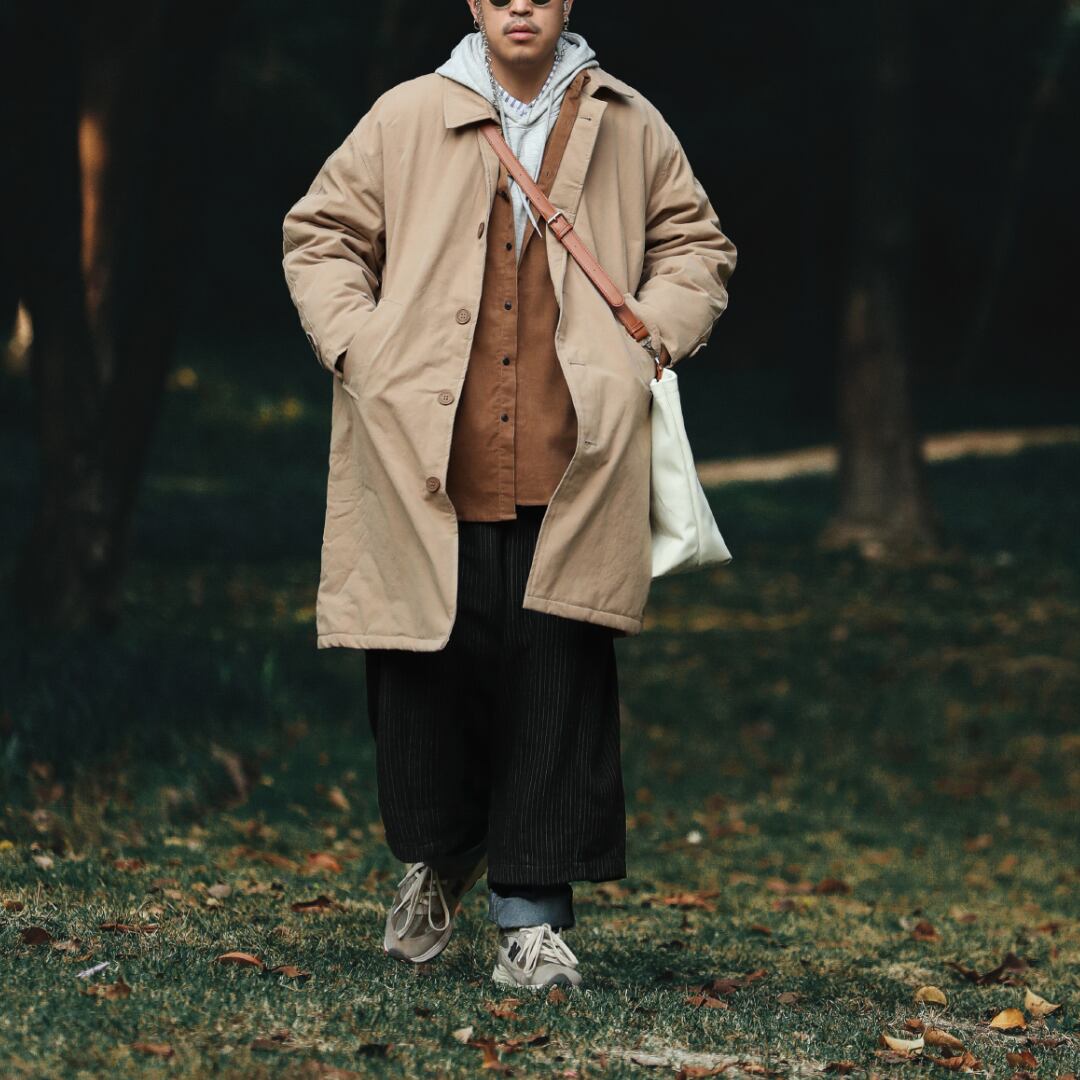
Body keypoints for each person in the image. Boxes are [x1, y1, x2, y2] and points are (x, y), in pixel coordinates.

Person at [281, 0, 736, 990]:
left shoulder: (629, 121)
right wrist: (359, 347)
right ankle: (441, 858)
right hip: (424, 457)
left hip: (573, 461)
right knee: (421, 678)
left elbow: (696, 245)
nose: (519, 3)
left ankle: (531, 922)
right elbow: (320, 235)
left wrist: (647, 339)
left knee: (555, 685)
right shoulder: (407, 114)